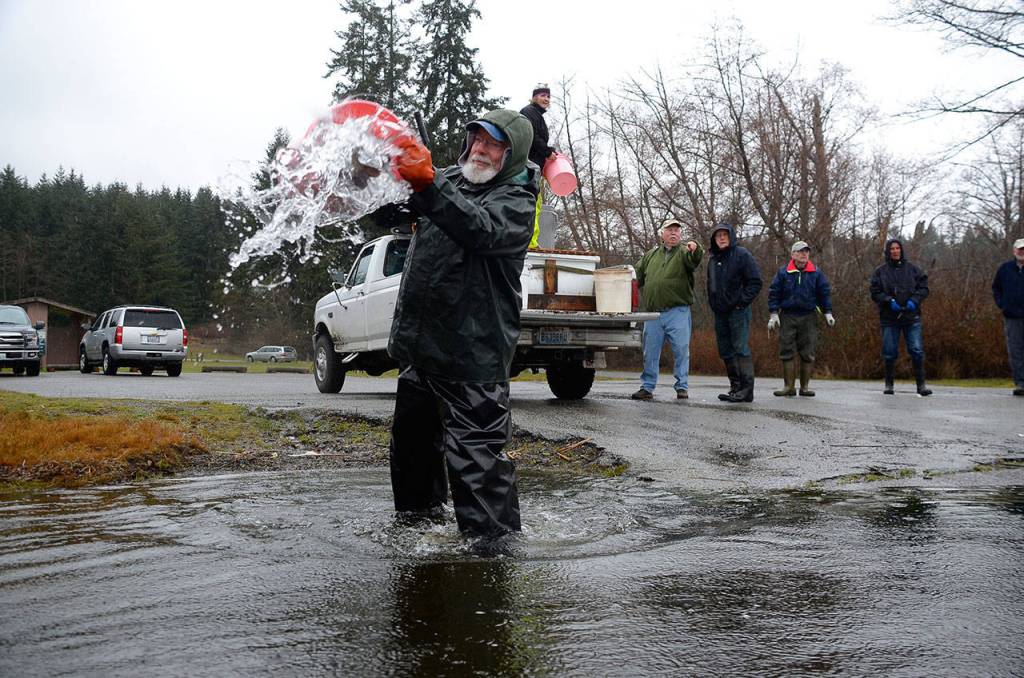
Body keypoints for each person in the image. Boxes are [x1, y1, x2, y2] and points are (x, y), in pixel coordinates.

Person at [388, 109, 536, 537]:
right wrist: (383, 174)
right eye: (476, 139)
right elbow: (392, 212)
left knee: (478, 467)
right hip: (422, 349)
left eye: (493, 144)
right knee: (412, 453)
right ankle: (418, 529)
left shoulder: (518, 201)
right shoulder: (448, 177)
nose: (480, 150)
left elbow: (479, 229)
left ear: (512, 154)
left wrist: (430, 184)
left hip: (473, 356)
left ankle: (493, 558)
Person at [630, 218, 704, 400]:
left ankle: (682, 387)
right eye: (670, 230)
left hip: (677, 311)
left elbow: (694, 259)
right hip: (654, 313)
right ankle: (647, 387)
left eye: (677, 230)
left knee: (681, 350)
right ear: (662, 234)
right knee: (650, 352)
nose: (674, 233)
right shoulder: (651, 255)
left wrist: (696, 247)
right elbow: (635, 277)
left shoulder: (684, 252)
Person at [767, 241, 835, 397]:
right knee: (786, 351)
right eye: (800, 251)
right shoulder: (783, 273)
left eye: (806, 251)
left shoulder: (816, 273)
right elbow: (774, 293)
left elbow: (824, 293)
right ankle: (788, 387)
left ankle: (804, 387)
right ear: (793, 254)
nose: (804, 254)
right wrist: (773, 314)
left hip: (809, 316)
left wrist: (828, 313)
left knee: (808, 352)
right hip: (787, 316)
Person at [707, 223, 763, 402]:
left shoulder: (742, 255)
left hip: (738, 311)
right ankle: (736, 387)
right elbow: (711, 285)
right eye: (718, 236)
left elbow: (755, 282)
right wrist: (713, 304)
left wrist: (741, 302)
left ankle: (747, 390)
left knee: (740, 348)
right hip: (720, 312)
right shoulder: (713, 260)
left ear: (731, 236)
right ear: (714, 240)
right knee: (725, 349)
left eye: (725, 234)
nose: (722, 238)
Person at [869, 238, 932, 396]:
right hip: (890, 318)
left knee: (916, 350)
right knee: (889, 352)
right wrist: (888, 301)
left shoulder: (913, 270)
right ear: (888, 251)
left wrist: (915, 301)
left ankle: (921, 385)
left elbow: (924, 288)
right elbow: (875, 292)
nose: (895, 251)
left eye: (897, 248)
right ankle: (889, 384)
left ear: (901, 250)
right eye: (892, 249)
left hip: (911, 317)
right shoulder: (880, 272)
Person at [519, 83, 556, 248]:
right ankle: (527, 242)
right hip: (526, 168)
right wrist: (547, 152)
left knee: (536, 204)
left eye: (548, 96)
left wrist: (549, 151)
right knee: (529, 203)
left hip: (535, 169)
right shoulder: (528, 112)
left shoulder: (538, 115)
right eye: (542, 95)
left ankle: (531, 242)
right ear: (534, 97)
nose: (546, 99)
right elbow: (531, 137)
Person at [992, 237, 1024, 396]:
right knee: (1015, 351)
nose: (1022, 252)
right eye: (1020, 249)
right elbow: (996, 288)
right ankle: (1020, 383)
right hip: (1012, 316)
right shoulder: (1005, 268)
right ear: (1014, 251)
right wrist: (1002, 304)